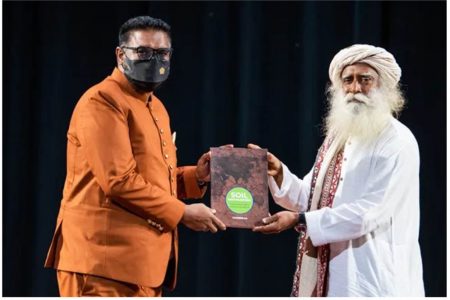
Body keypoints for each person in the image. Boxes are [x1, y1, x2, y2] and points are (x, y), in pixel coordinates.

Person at [44, 16, 226, 297]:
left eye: (162, 53)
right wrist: (182, 214)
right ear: (120, 54)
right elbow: (119, 181)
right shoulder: (102, 100)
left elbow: (150, 179)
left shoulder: (156, 107)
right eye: (142, 52)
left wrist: (195, 177)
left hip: (142, 265)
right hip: (101, 264)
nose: (153, 60)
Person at [251, 44, 424, 296]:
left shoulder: (396, 141)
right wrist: (279, 173)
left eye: (365, 80)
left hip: (377, 277)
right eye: (348, 80)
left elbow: (369, 213)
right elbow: (311, 198)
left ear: (383, 86)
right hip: (335, 274)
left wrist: (300, 220)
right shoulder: (338, 138)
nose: (355, 89)